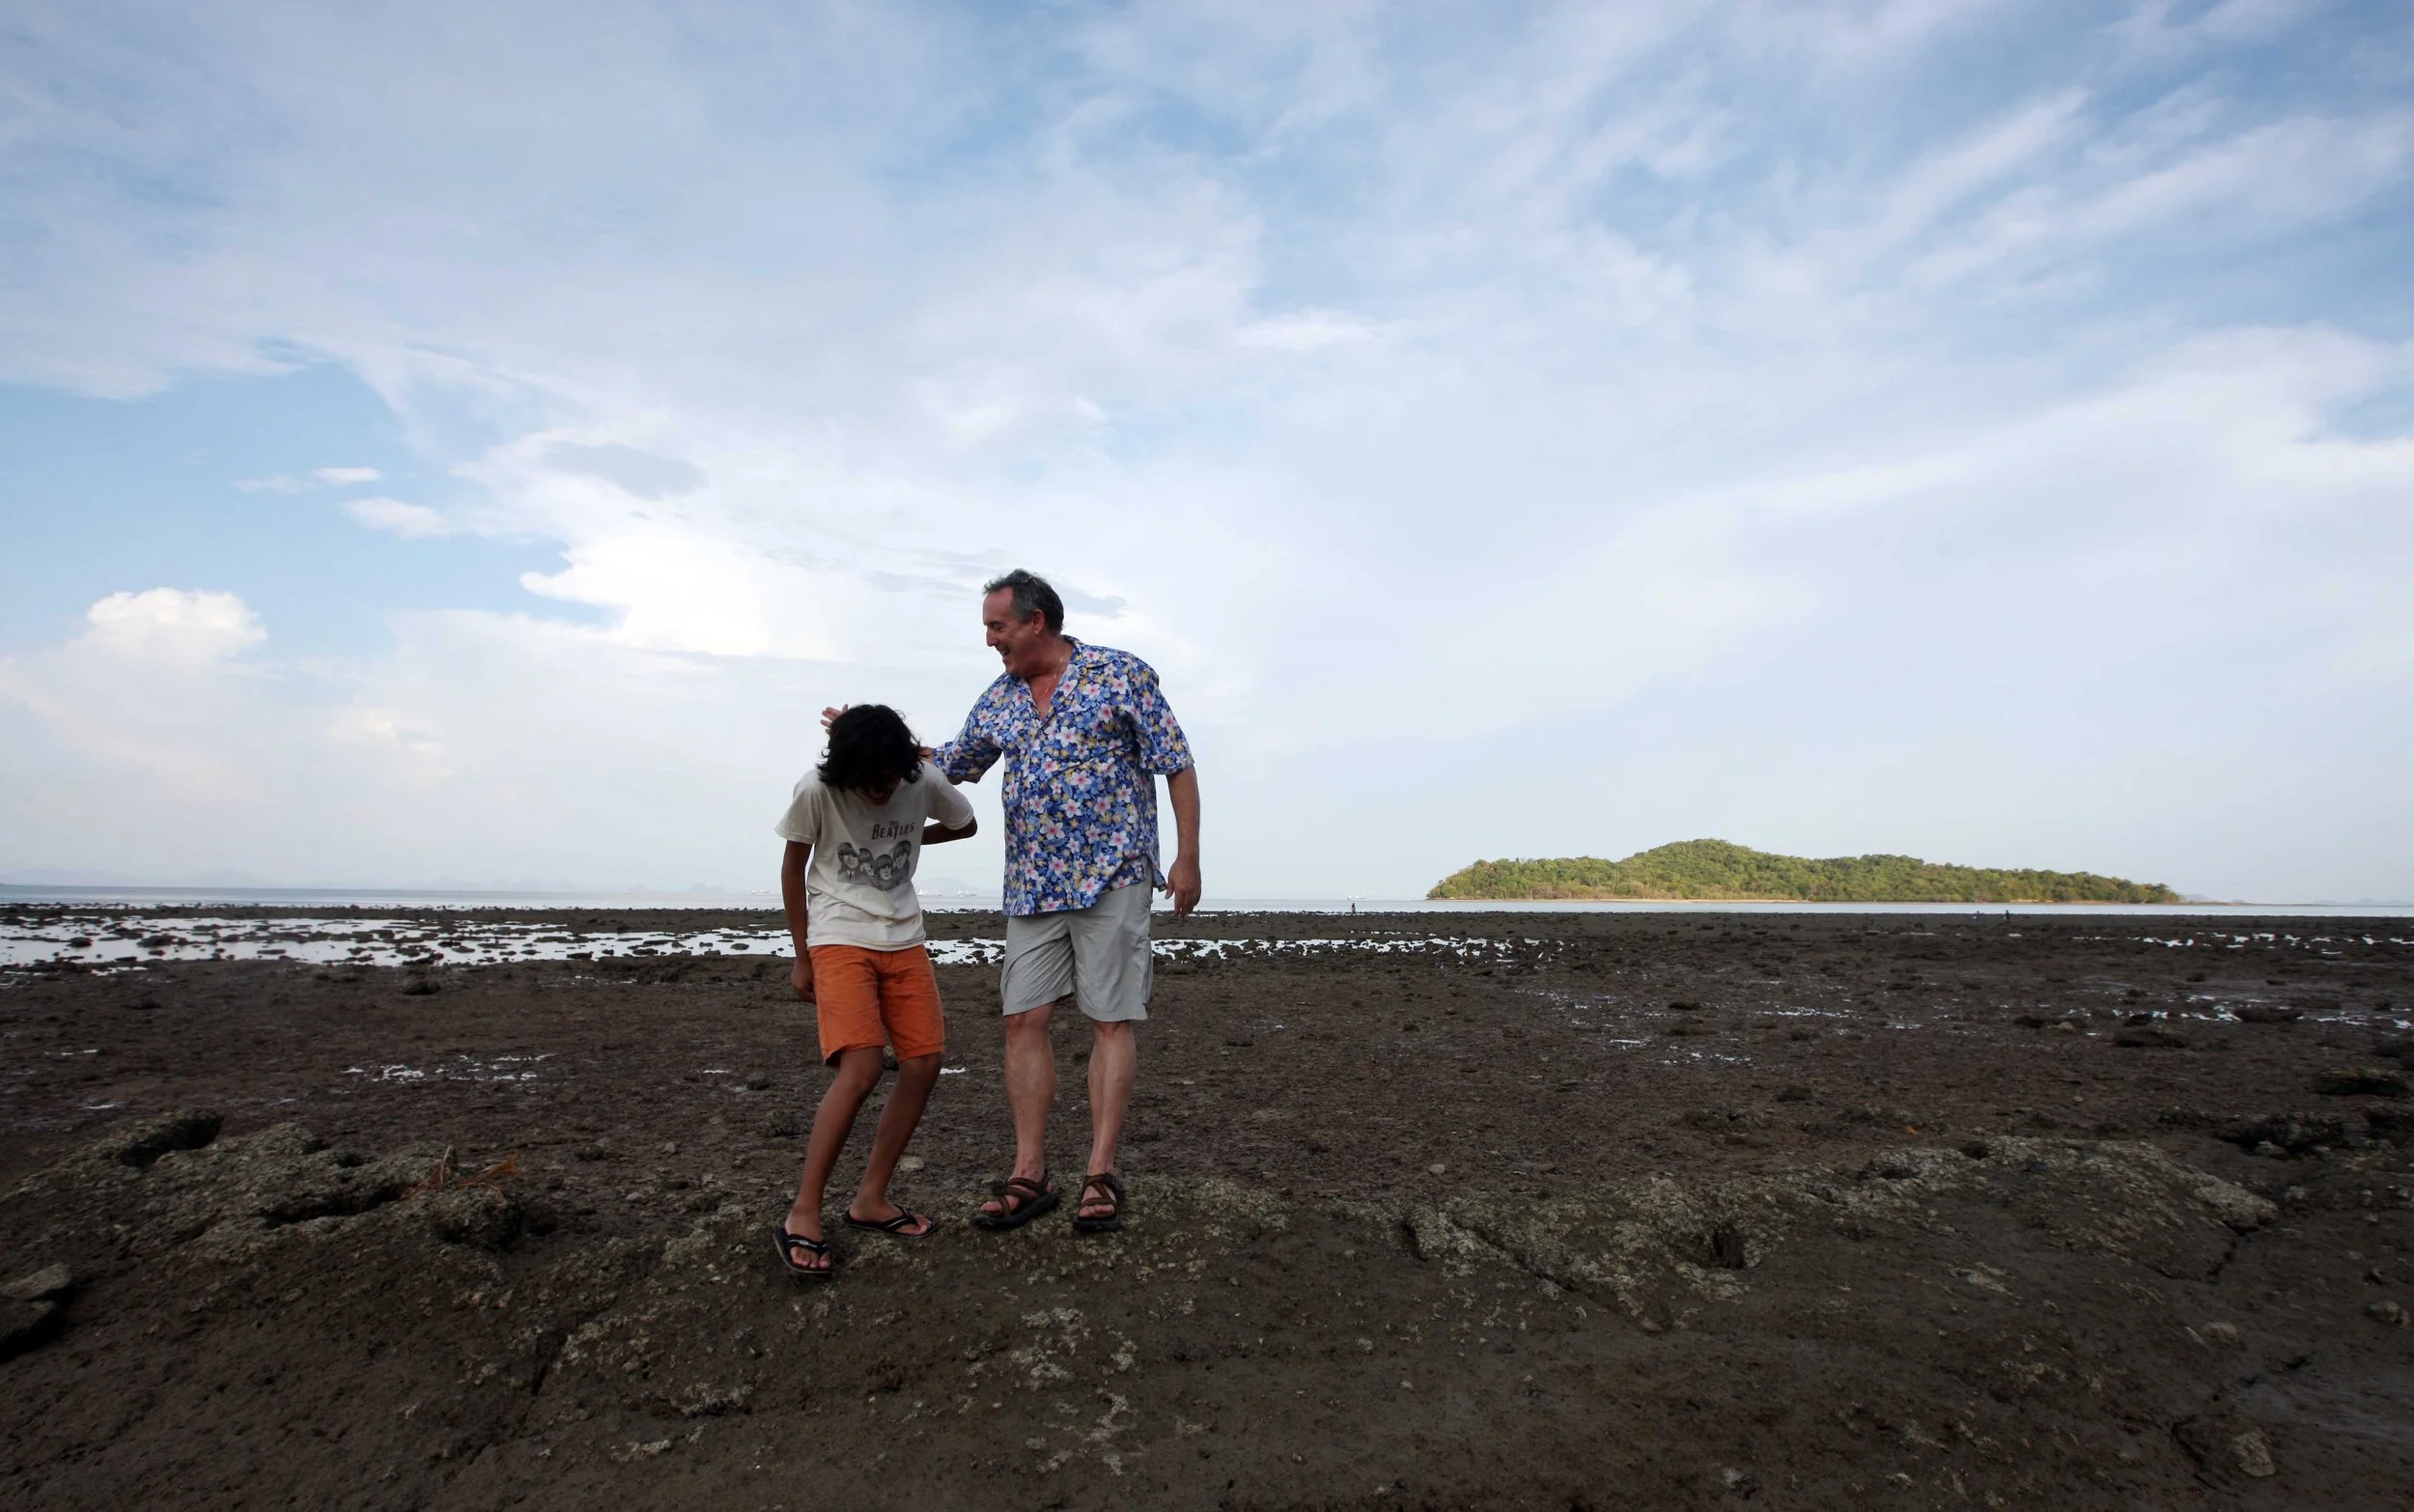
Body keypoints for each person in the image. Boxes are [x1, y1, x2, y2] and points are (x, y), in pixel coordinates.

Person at [933, 568, 1200, 1235]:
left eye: (997, 626)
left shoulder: (1120, 675)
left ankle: (1101, 1172)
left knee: (1110, 1019)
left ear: (1036, 621)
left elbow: (1177, 763)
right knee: (1022, 1019)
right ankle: (1031, 1173)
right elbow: (953, 763)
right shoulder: (1000, 698)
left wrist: (1187, 857)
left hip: (1114, 874)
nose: (990, 640)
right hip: (1032, 884)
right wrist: (875, 742)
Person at [771, 703, 977, 1279]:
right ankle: (803, 1212)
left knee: (924, 1063)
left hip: (904, 936)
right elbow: (792, 869)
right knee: (860, 1068)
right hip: (838, 935)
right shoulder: (817, 789)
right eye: (870, 782)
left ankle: (870, 1200)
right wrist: (802, 955)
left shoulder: (921, 777)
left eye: (890, 778)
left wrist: (912, 835)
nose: (883, 791)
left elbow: (965, 825)